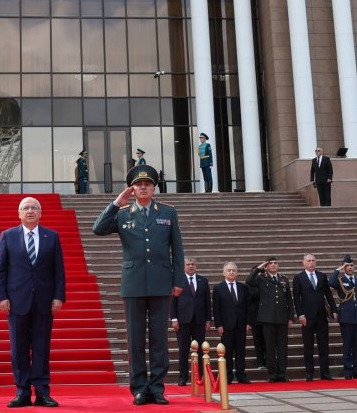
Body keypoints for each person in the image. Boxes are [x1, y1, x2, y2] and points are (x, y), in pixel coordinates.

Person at [93, 164, 186, 405]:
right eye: (138, 185)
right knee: (135, 340)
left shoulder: (168, 213)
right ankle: (138, 388)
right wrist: (116, 203)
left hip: (160, 282)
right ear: (132, 189)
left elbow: (178, 250)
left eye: (147, 184)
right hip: (133, 284)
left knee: (159, 339)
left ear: (154, 189)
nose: (143, 187)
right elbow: (98, 229)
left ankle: (157, 387)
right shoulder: (123, 214)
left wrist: (178, 280)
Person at [0, 197, 65, 408]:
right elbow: (0, 270)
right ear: (19, 213)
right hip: (16, 301)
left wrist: (58, 296)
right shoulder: (7, 236)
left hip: (44, 301)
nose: (30, 210)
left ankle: (43, 392)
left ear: (40, 213)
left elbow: (58, 270)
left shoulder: (51, 236)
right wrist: (2, 297)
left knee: (42, 348)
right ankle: (22, 392)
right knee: (19, 348)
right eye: (25, 208)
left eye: (34, 207)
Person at [246, 257, 294, 382]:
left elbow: (289, 298)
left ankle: (282, 373)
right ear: (266, 266)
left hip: (282, 317)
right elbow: (249, 280)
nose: (273, 265)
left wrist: (291, 317)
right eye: (270, 263)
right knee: (270, 346)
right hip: (267, 318)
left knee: (283, 346)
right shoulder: (261, 278)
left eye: (275, 263)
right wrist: (259, 268)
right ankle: (272, 373)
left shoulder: (283, 279)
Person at [292, 253, 336, 381]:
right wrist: (300, 314)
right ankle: (310, 373)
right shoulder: (299, 278)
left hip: (321, 315)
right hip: (307, 316)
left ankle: (325, 372)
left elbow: (328, 294)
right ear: (304, 263)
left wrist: (334, 309)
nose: (311, 263)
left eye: (313, 260)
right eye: (309, 261)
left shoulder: (322, 276)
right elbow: (296, 298)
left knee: (323, 345)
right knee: (308, 345)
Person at [210, 262, 250, 385]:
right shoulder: (218, 288)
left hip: (241, 325)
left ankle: (241, 375)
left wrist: (248, 322)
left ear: (237, 273)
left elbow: (248, 307)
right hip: (226, 326)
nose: (231, 272)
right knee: (226, 352)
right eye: (229, 270)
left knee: (240, 351)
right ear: (224, 273)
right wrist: (218, 324)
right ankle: (227, 375)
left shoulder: (243, 287)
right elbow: (216, 308)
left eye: (233, 270)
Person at [171, 257, 210, 386]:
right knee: (183, 349)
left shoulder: (203, 281)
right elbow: (173, 301)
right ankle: (183, 376)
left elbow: (207, 302)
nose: (191, 266)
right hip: (183, 320)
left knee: (200, 349)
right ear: (184, 266)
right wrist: (174, 318)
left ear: (196, 266)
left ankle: (200, 376)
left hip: (199, 320)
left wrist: (208, 319)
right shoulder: (178, 280)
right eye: (188, 264)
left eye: (193, 264)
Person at [331, 256, 357, 379]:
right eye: (347, 266)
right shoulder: (340, 280)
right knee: (347, 345)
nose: (350, 268)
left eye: (351, 265)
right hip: (346, 317)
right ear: (344, 267)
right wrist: (337, 270)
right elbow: (330, 283)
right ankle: (348, 371)